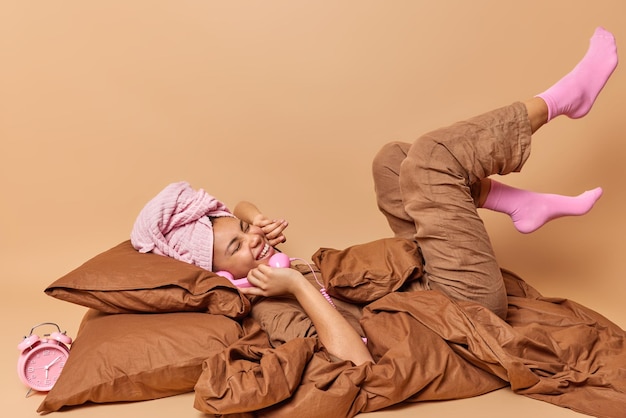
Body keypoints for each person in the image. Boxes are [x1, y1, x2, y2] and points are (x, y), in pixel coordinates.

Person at [131, 27, 618, 366]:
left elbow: (237, 207)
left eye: (242, 235)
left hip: (424, 278)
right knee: (431, 157)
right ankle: (561, 101)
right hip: (457, 310)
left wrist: (252, 222)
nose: (251, 243)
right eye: (237, 248)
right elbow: (354, 359)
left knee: (391, 160)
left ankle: (519, 204)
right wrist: (298, 287)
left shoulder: (255, 251)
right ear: (219, 275)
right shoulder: (266, 303)